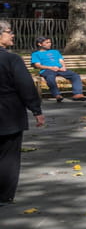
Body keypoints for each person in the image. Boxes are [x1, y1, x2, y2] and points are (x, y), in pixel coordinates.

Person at [0, 21, 46, 206]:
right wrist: (36, 109)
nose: (12, 35)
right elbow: (25, 86)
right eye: (9, 32)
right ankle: (4, 194)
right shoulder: (12, 59)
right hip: (8, 112)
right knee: (9, 155)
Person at [29, 37, 86, 103]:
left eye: (50, 42)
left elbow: (61, 60)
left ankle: (78, 94)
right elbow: (37, 65)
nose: (49, 44)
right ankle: (57, 95)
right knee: (50, 78)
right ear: (40, 44)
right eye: (47, 43)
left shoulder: (55, 52)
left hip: (59, 69)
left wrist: (63, 67)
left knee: (75, 76)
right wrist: (50, 68)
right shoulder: (36, 54)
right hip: (47, 70)